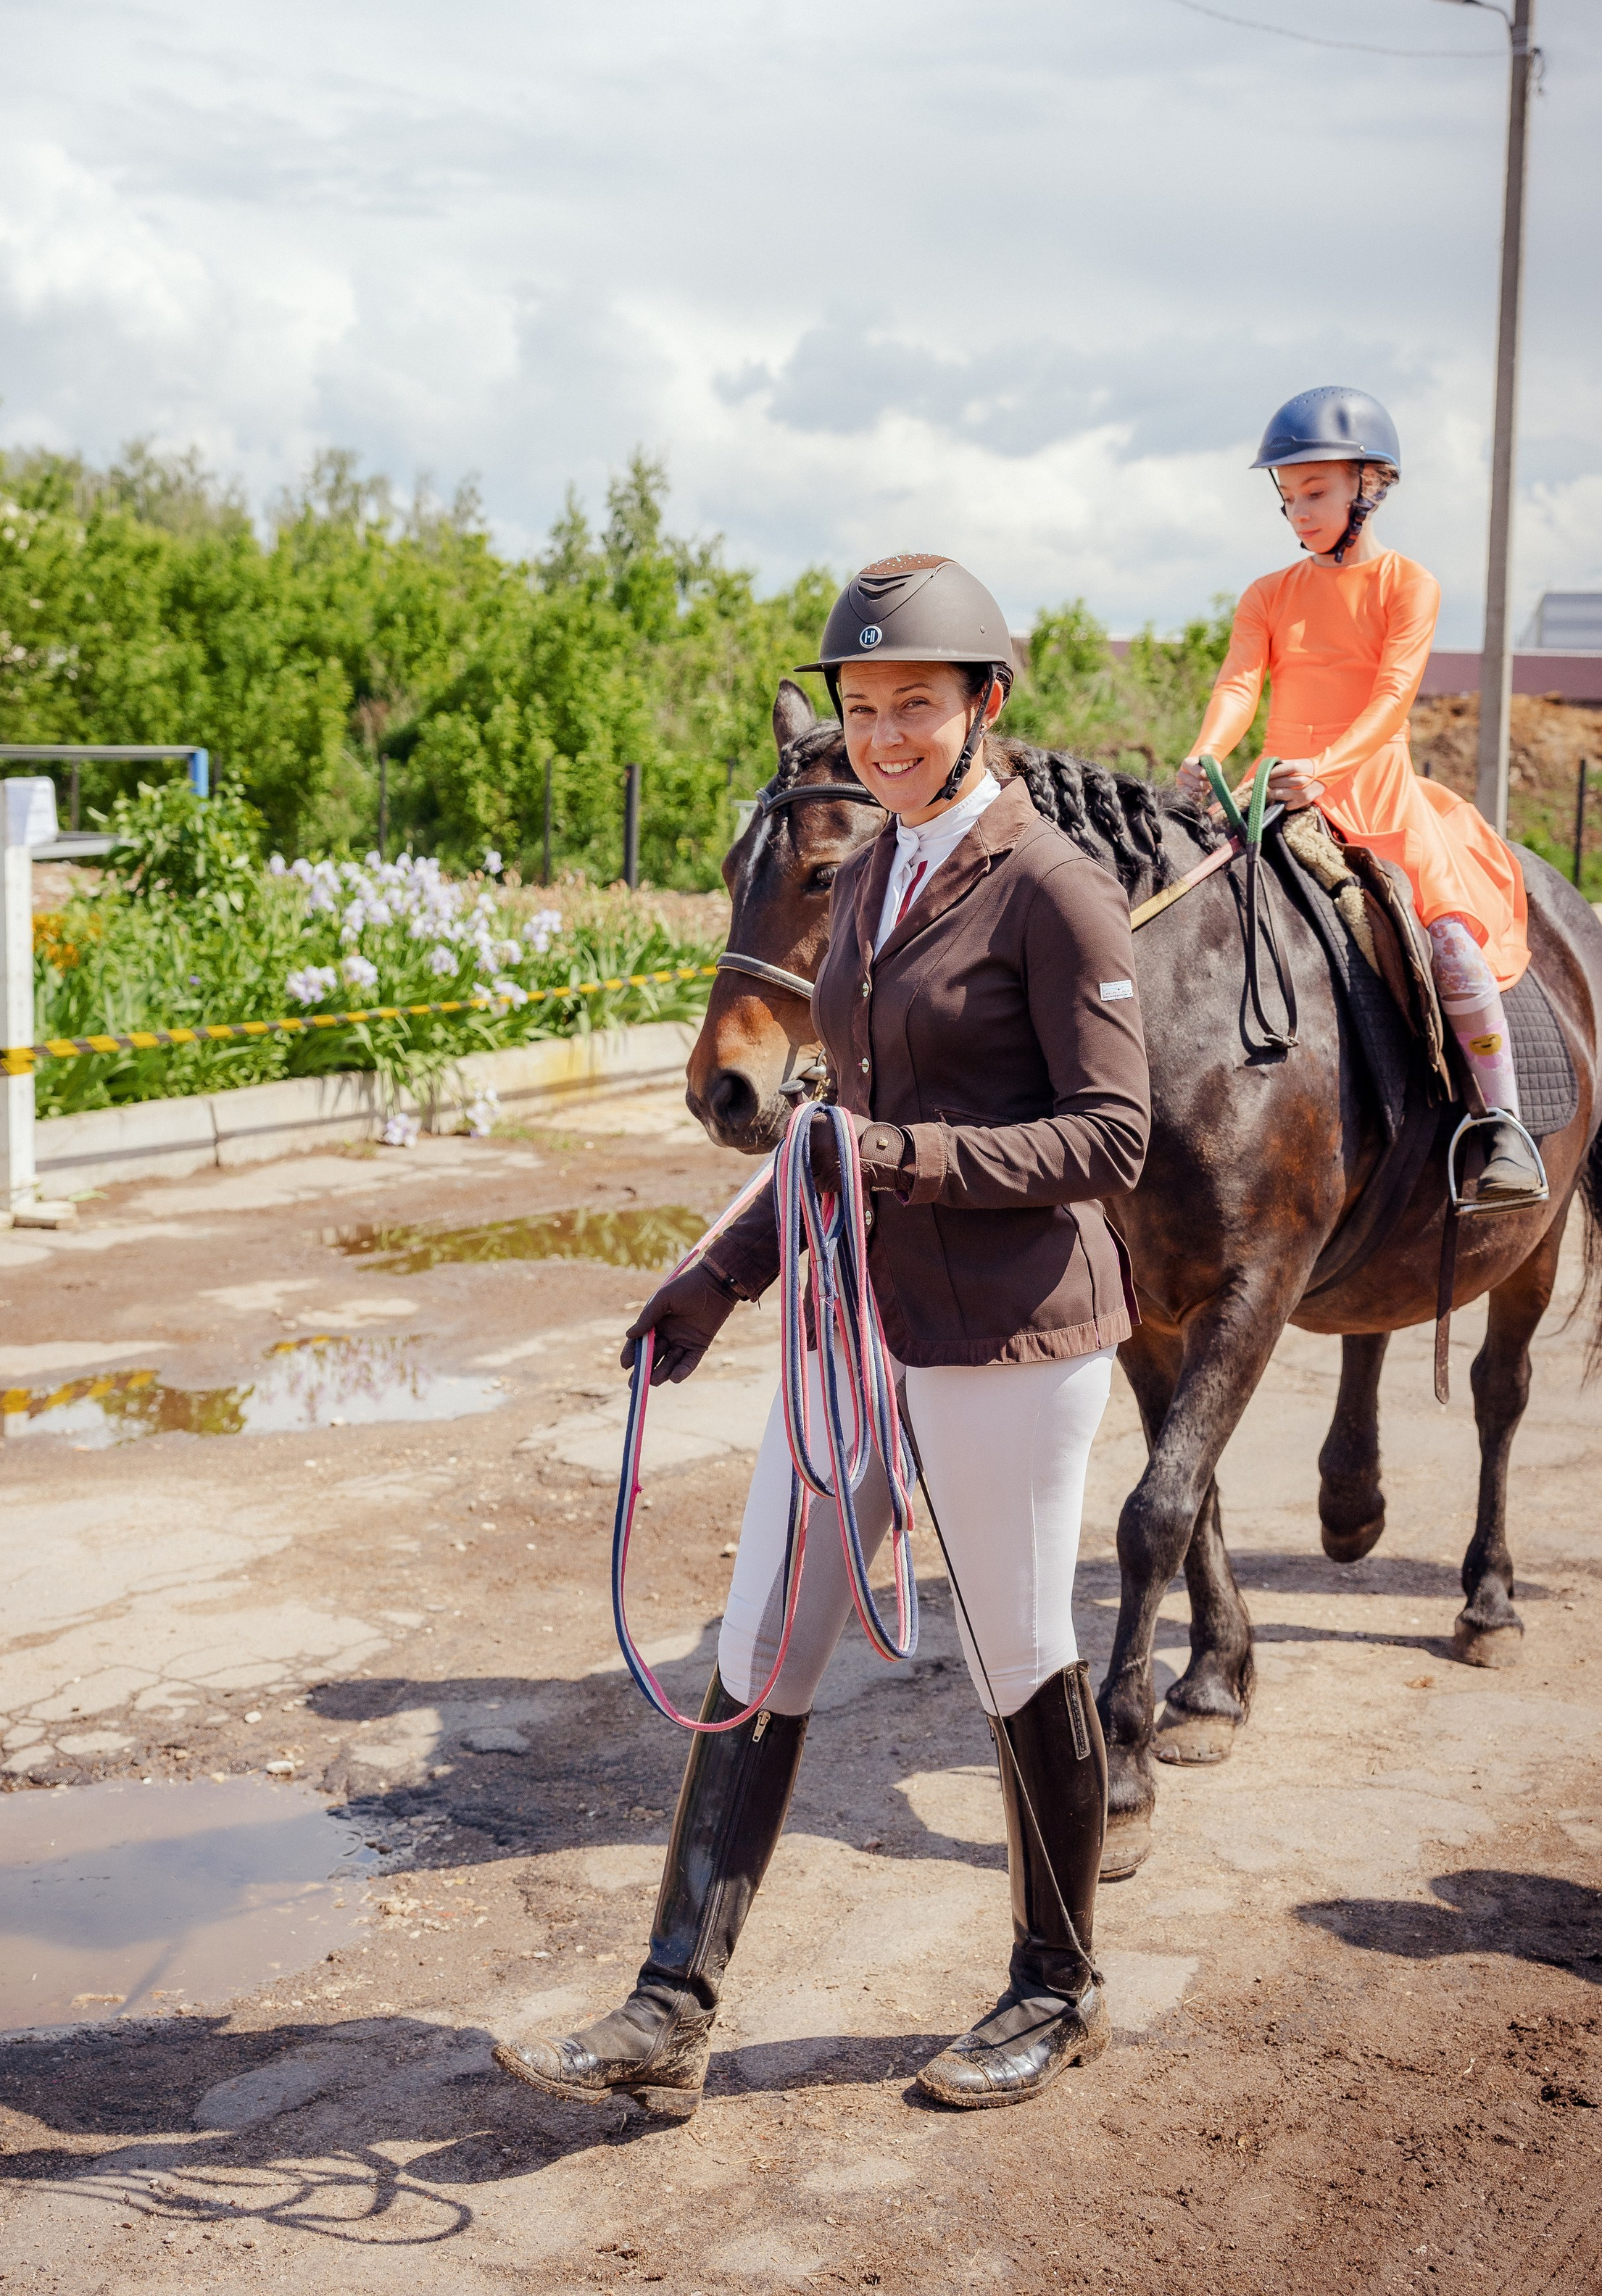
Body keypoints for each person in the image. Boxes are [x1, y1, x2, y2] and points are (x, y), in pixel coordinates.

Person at [491, 554, 1150, 2121]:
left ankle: (1055, 1989)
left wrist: (902, 1162)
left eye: (913, 705)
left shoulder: (1053, 887)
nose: (883, 735)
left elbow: (1110, 1137)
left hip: (1005, 1339)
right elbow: (830, 1129)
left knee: (1015, 1650)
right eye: (861, 709)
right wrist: (720, 1278)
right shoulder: (861, 878)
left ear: (985, 705)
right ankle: (666, 2010)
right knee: (760, 1647)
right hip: (853, 1333)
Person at [1179, 386, 1541, 1202]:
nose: (1298, 512)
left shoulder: (1408, 585)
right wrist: (1205, 753)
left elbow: (1391, 699)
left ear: (1367, 485)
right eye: (1286, 498)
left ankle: (1501, 1124)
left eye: (1314, 493)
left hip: (1373, 792)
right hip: (1275, 788)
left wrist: (1329, 766)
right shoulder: (1267, 594)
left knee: (1449, 941)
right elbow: (1239, 685)